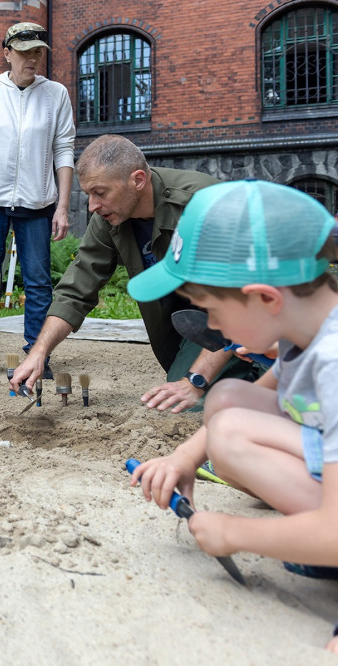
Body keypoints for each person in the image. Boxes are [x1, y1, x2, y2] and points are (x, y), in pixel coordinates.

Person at [124, 180, 338, 652]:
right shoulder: (305, 336)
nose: (213, 327)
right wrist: (183, 459)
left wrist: (236, 533)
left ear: (265, 298)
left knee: (233, 427)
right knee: (227, 402)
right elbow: (244, 401)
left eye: (213, 310)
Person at [11, 134, 261, 413]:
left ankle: (264, 377)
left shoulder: (202, 204)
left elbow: (243, 298)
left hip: (265, 311)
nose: (92, 205)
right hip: (197, 321)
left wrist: (195, 380)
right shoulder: (110, 217)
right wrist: (38, 353)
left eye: (100, 192)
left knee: (196, 402)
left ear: (138, 180)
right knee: (178, 395)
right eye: (88, 194)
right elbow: (75, 291)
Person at [0, 21, 76, 380]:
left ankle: (36, 354)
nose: (32, 59)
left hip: (37, 205)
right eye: (24, 52)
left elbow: (64, 150)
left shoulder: (56, 95)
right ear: (7, 53)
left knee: (38, 281)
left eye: (37, 51)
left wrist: (64, 207)